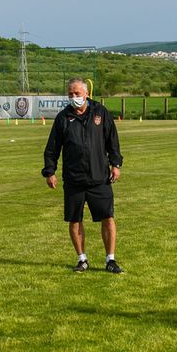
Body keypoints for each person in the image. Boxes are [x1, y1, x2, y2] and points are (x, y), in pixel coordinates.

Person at [42, 78, 124, 273]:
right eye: (70, 94)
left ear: (86, 94)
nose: (73, 97)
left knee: (108, 217)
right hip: (74, 179)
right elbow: (52, 148)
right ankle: (82, 259)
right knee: (75, 219)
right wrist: (49, 171)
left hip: (99, 178)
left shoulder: (100, 113)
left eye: (77, 94)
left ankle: (110, 260)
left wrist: (116, 164)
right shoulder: (63, 118)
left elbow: (113, 140)